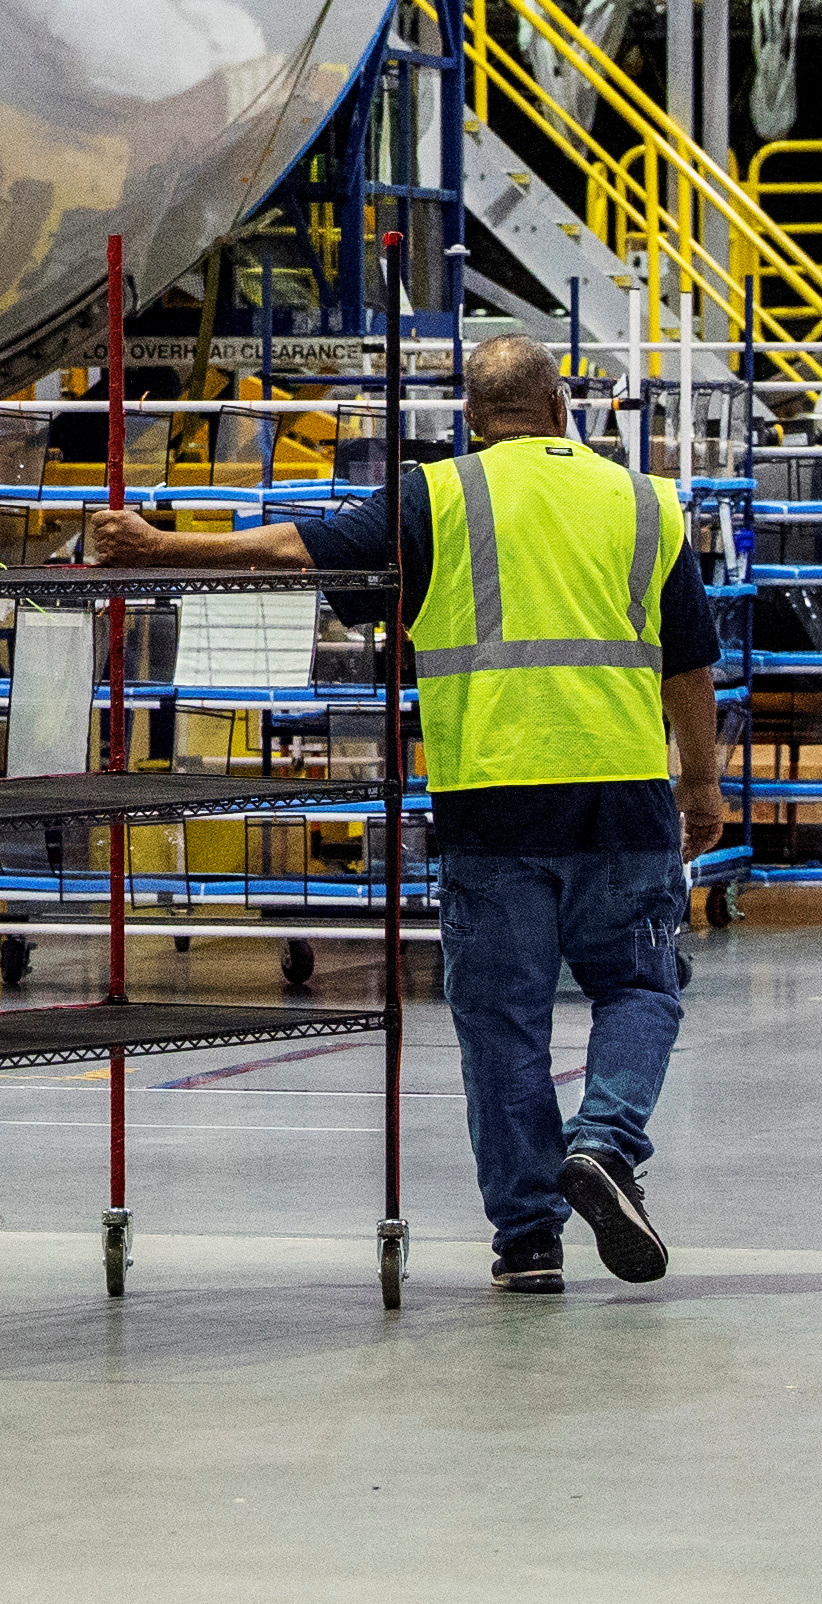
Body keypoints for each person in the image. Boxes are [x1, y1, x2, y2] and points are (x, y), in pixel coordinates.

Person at [87, 335, 722, 1296]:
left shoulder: (438, 495)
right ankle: (604, 1141)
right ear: (561, 408)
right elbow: (689, 664)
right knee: (640, 988)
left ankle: (528, 1242)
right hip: (624, 798)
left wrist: (157, 547)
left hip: (490, 802)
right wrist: (703, 786)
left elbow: (290, 548)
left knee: (501, 1024)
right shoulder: (645, 500)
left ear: (472, 417)